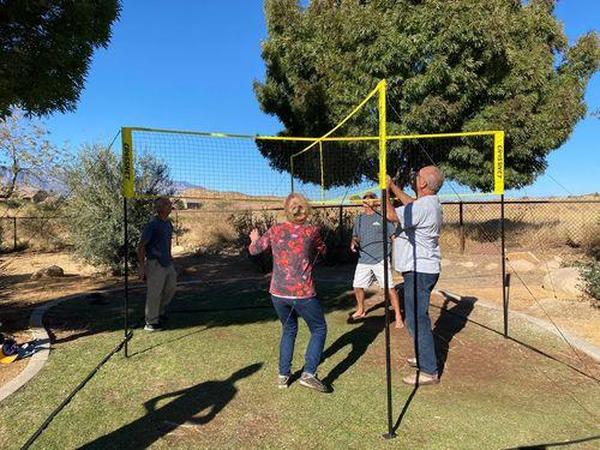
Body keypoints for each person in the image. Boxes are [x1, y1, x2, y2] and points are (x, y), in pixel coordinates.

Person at [249, 193, 328, 392]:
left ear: (286, 209)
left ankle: (283, 375)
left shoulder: (275, 230)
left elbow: (254, 250)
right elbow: (323, 251)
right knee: (318, 329)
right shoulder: (312, 230)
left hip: (278, 293)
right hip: (303, 294)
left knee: (289, 329)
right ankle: (308, 374)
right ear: (306, 209)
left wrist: (254, 239)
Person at [385, 166, 444, 386]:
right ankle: (424, 355)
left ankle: (428, 371)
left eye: (418, 176)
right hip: (420, 270)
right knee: (415, 318)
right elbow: (410, 204)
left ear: (423, 184)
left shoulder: (424, 206)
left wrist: (384, 192)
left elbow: (392, 215)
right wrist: (392, 186)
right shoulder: (427, 204)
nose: (415, 177)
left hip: (420, 271)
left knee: (417, 319)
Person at [350, 192, 403, 329]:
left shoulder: (382, 217)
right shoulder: (359, 219)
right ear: (363, 203)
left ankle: (398, 316)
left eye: (371, 200)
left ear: (376, 202)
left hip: (381, 259)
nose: (368, 203)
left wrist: (396, 256)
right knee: (357, 286)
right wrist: (353, 242)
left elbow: (393, 236)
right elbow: (355, 236)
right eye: (366, 201)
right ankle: (361, 309)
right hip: (363, 259)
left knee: (389, 288)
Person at [137, 196, 177, 332]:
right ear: (159, 208)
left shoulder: (168, 224)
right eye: (166, 203)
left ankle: (159, 312)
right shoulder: (152, 224)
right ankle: (151, 322)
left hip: (167, 262)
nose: (169, 205)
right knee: (154, 292)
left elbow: (168, 242)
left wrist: (170, 256)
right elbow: (141, 246)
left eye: (169, 202)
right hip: (155, 263)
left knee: (170, 288)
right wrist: (142, 267)